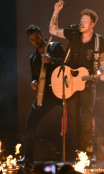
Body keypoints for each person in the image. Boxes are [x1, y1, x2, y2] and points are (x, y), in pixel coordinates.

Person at [49, 1, 104, 159]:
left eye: (85, 21)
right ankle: (81, 149)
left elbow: (102, 61)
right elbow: (53, 30)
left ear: (92, 24)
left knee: (87, 114)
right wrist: (56, 12)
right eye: (80, 20)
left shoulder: (99, 41)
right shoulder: (73, 33)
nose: (81, 23)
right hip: (70, 82)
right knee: (74, 117)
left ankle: (86, 148)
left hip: (88, 83)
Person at [18, 25, 65, 163]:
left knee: (58, 124)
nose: (35, 41)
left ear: (42, 35)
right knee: (31, 122)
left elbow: (67, 63)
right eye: (32, 40)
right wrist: (33, 83)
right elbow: (34, 76)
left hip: (58, 93)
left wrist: (52, 60)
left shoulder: (56, 47)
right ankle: (28, 156)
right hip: (42, 95)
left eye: (37, 38)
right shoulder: (33, 58)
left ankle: (65, 156)